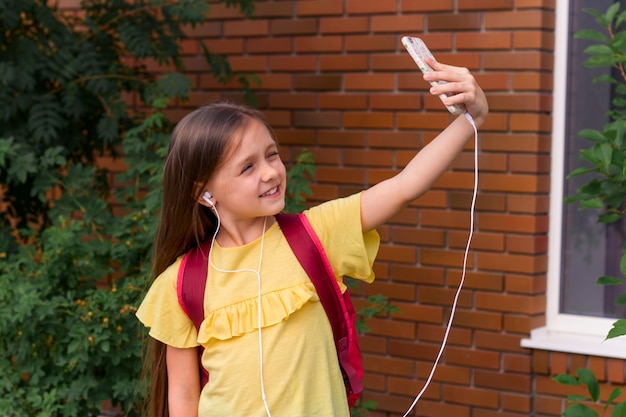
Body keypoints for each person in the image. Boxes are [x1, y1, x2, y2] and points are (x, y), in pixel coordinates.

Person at [136, 57, 488, 417]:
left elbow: (403, 187)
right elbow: (182, 397)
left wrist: (470, 118)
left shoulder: (315, 234)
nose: (271, 172)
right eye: (248, 167)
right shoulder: (181, 284)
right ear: (204, 193)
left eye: (272, 155)